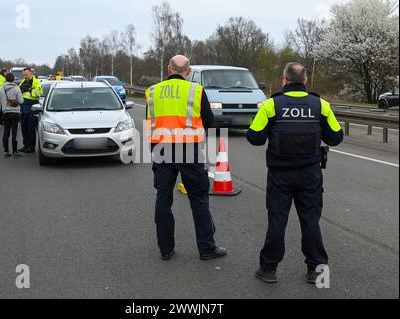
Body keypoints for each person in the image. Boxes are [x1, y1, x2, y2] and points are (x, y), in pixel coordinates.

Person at [247, 62, 344, 284]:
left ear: (284, 80)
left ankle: (268, 269)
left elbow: (254, 138)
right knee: (310, 221)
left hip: (280, 176)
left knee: (277, 221)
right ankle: (317, 271)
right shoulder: (321, 105)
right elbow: (336, 138)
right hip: (310, 174)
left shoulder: (270, 105)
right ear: (306, 81)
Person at [146, 55, 227, 261]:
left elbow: (150, 123)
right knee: (199, 199)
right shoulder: (196, 91)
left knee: (163, 199)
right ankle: (206, 248)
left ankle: (165, 249)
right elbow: (209, 123)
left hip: (162, 150)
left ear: (168, 69)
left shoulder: (152, 91)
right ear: (188, 71)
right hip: (189, 151)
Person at [0, 72, 24, 158]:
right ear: (13, 79)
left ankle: (6, 150)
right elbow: (21, 101)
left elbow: (0, 100)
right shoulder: (17, 88)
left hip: (5, 113)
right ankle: (15, 151)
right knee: (15, 132)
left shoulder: (1, 88)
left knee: (6, 131)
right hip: (15, 113)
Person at [18, 67, 43, 153]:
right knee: (24, 129)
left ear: (31, 74)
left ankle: (31, 147)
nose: (25, 76)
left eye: (26, 75)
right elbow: (19, 91)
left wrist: (30, 90)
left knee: (30, 129)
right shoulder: (23, 81)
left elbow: (39, 93)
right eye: (24, 75)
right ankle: (26, 145)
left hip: (32, 108)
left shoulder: (36, 82)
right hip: (23, 108)